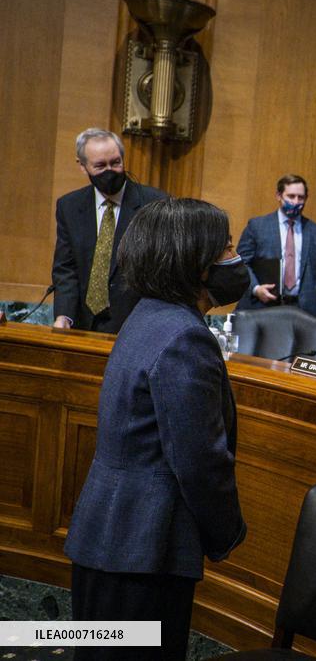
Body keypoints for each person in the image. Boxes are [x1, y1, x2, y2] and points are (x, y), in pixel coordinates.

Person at [64, 198, 248, 660]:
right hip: (145, 551)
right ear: (196, 264)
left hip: (109, 537)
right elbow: (199, 460)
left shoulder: (145, 316)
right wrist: (228, 533)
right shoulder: (184, 336)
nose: (235, 259)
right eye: (226, 249)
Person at [51, 128, 168, 332]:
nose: (110, 171)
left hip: (134, 326)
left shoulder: (154, 204)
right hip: (82, 325)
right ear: (82, 166)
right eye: (100, 166)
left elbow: (162, 270)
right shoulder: (69, 206)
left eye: (115, 163)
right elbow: (66, 268)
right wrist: (64, 315)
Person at [236, 174, 316, 318]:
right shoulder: (257, 226)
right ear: (279, 196)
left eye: (301, 197)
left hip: (303, 311)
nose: (296, 201)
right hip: (262, 307)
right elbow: (241, 262)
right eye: (291, 196)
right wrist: (256, 289)